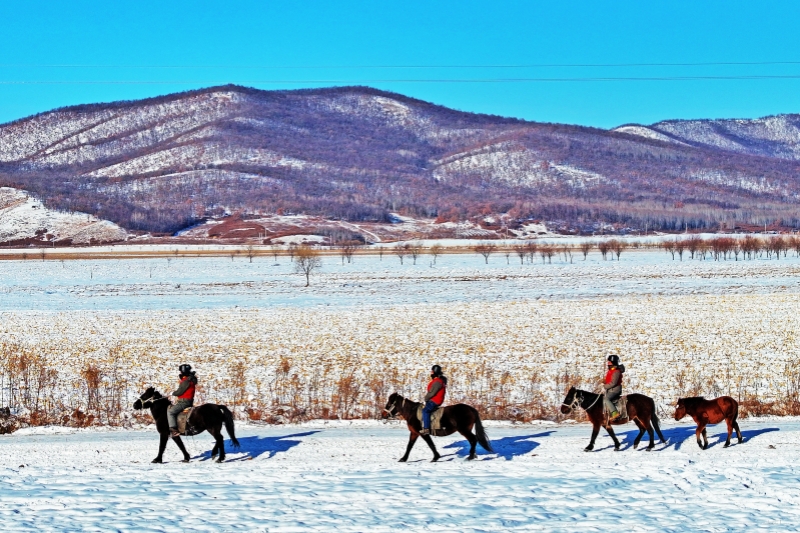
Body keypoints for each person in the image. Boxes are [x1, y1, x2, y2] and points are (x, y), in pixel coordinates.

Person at [168, 364, 198, 437]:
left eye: (181, 371)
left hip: (184, 402)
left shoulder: (186, 381)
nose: (180, 373)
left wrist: (173, 393)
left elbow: (180, 392)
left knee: (170, 412)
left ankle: (174, 430)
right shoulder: (190, 380)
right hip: (187, 400)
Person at [420, 365, 447, 436]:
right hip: (435, 400)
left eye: (432, 371)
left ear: (435, 372)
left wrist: (426, 398)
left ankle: (426, 429)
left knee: (425, 411)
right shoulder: (438, 381)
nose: (431, 373)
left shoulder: (437, 382)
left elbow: (432, 393)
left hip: (435, 401)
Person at [603, 355, 624, 420]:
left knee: (606, 399)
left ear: (613, 362)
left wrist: (605, 386)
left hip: (615, 390)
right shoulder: (611, 370)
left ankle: (615, 413)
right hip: (610, 389)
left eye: (609, 362)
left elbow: (613, 383)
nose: (608, 363)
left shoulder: (616, 371)